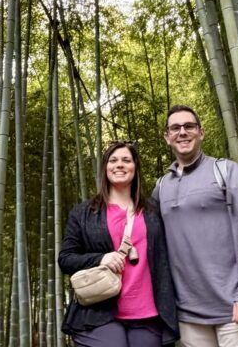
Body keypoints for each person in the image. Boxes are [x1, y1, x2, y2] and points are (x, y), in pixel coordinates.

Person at [153, 105, 238, 347]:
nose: (182, 132)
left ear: (201, 132)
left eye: (189, 126)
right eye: (175, 128)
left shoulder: (227, 172)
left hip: (236, 308)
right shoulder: (161, 187)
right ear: (167, 137)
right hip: (188, 316)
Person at [59, 140, 179, 346]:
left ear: (135, 167)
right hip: (99, 312)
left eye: (126, 160)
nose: (120, 165)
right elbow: (66, 259)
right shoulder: (84, 213)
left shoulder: (154, 211)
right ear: (105, 168)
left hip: (147, 313)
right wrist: (101, 258)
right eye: (113, 160)